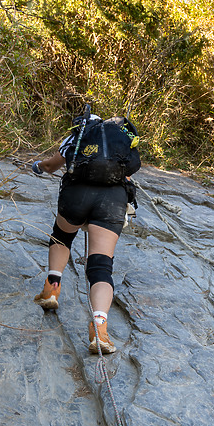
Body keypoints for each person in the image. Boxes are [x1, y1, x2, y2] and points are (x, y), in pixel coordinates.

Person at [32, 112, 140, 354]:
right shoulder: (118, 141)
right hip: (112, 201)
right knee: (101, 266)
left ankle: (51, 288)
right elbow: (128, 172)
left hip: (76, 196)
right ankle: (99, 328)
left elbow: (51, 166)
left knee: (62, 236)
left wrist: (37, 166)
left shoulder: (79, 137)